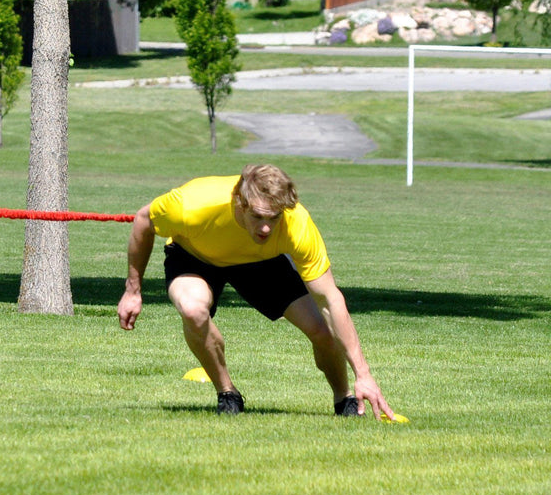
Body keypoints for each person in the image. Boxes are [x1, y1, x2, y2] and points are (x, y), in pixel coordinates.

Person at [117, 163, 393, 418]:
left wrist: (363, 373)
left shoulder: (296, 223)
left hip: (260, 261)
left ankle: (344, 398)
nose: (265, 227)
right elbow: (144, 220)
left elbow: (330, 299)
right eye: (258, 216)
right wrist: (133, 290)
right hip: (194, 255)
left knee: (321, 328)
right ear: (240, 201)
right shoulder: (192, 204)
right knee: (192, 309)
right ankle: (228, 393)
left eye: (273, 218)